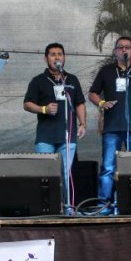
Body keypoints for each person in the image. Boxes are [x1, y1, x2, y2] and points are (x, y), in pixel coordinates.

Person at [88, 37, 131, 213]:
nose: (124, 50)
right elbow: (92, 93)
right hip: (112, 127)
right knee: (108, 167)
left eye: (127, 47)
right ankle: (104, 205)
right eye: (120, 47)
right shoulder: (106, 71)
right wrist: (102, 103)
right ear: (115, 51)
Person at [24, 43, 87, 214]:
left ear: (64, 57)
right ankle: (46, 209)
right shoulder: (38, 80)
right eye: (52, 54)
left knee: (67, 175)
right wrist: (43, 109)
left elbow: (80, 102)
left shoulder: (72, 80)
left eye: (60, 54)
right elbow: (27, 104)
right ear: (46, 58)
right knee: (46, 175)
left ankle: (69, 209)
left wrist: (83, 123)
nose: (57, 57)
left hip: (68, 136)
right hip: (45, 137)